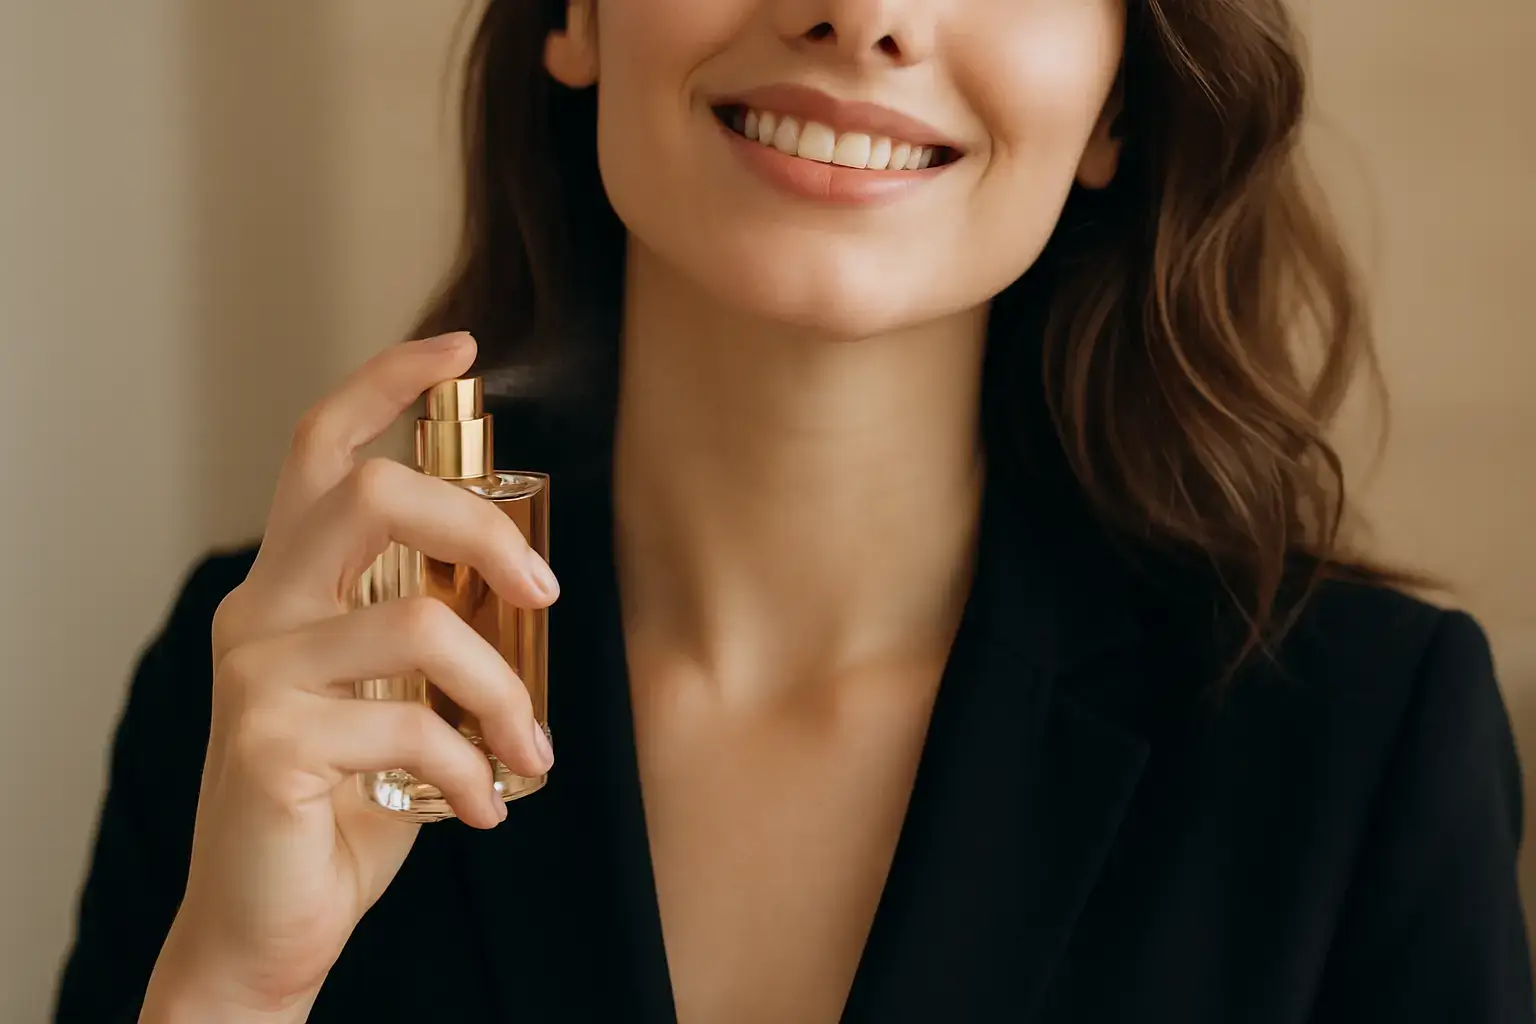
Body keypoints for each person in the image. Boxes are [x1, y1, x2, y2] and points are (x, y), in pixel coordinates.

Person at [55, 0, 1532, 1021]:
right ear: (577, 11)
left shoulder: (1360, 742)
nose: (866, 11)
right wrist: (231, 995)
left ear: (1120, 96)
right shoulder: (274, 681)